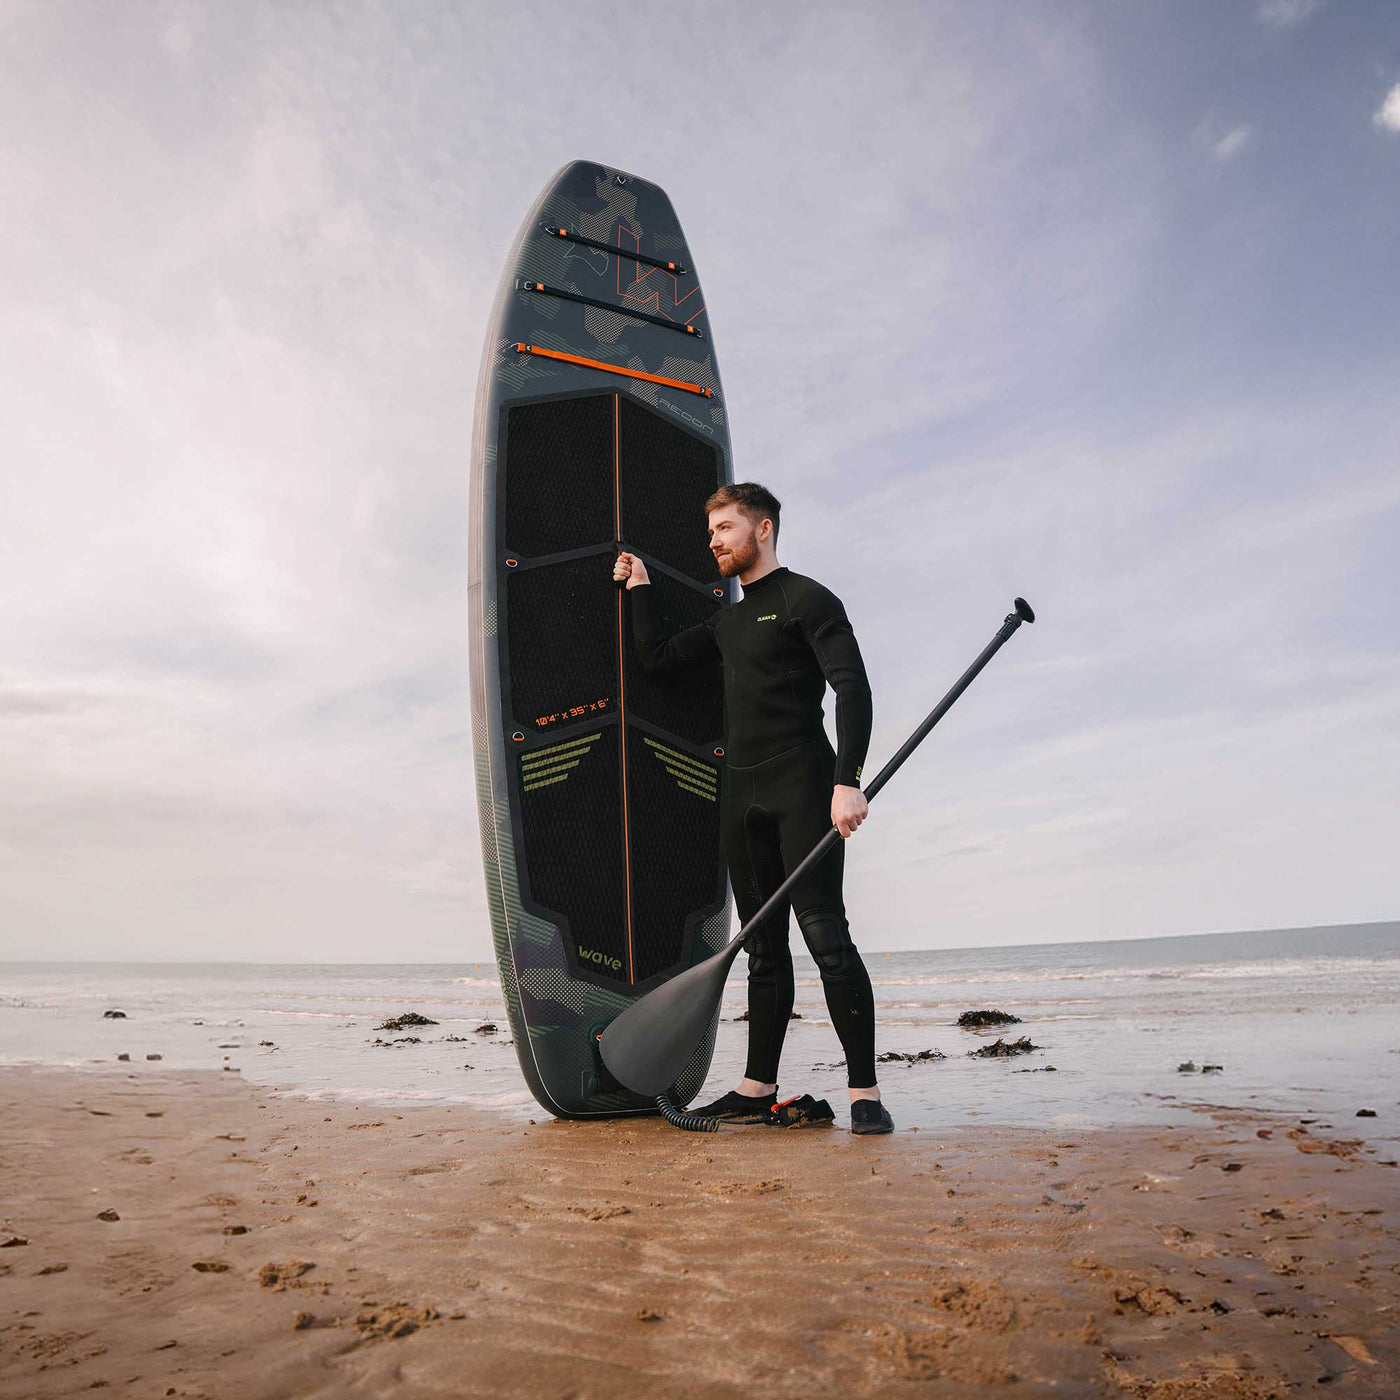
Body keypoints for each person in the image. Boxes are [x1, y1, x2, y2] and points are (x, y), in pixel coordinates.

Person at [613, 483, 893, 1135]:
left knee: (825, 936)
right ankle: (756, 1086)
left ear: (762, 529)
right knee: (762, 948)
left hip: (804, 785)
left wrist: (847, 781)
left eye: (726, 528)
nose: (714, 540)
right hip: (741, 795)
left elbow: (851, 687)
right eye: (711, 530)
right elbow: (656, 660)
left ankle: (864, 1091)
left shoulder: (807, 599)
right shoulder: (728, 623)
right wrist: (641, 587)